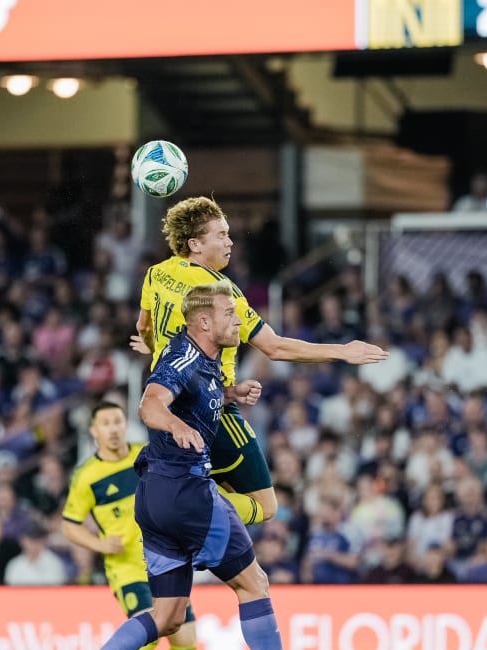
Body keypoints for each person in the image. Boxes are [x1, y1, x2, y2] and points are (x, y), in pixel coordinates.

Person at [55, 283, 333, 650]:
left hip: (155, 502)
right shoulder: (182, 357)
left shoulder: (201, 363)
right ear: (204, 322)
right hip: (188, 494)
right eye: (229, 313)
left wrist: (229, 394)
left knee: (167, 617)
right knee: (254, 582)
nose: (238, 321)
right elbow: (150, 404)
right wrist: (178, 426)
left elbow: (191, 392)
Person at [131, 196, 387, 526]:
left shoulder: (157, 273)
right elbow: (276, 348)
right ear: (194, 243)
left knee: (217, 512)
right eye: (220, 235)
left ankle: (186, 506)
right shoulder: (222, 294)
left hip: (167, 405)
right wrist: (342, 351)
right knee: (265, 506)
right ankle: (186, 505)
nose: (230, 242)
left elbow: (144, 325)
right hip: (212, 409)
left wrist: (152, 346)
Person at [60, 401, 197, 650]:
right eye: (105, 422)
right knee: (150, 628)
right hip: (127, 570)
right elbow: (69, 525)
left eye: (118, 421)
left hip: (166, 561)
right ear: (94, 431)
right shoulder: (86, 477)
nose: (113, 427)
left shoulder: (147, 455)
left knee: (187, 644)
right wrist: (99, 545)